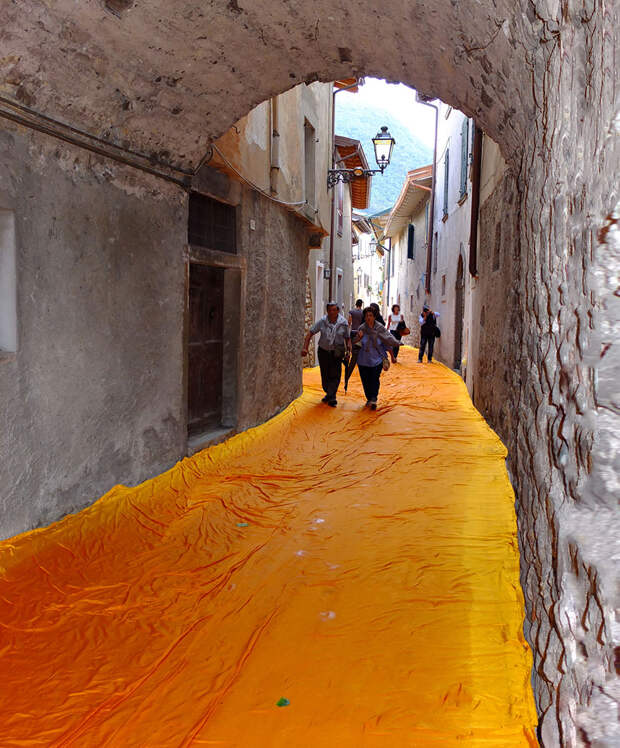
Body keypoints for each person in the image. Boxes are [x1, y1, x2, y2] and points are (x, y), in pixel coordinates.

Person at [302, 301, 351, 407]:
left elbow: (347, 338)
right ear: (327, 311)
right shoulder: (323, 321)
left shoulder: (343, 323)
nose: (332, 312)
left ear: (338, 310)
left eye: (334, 310)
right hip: (323, 351)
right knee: (325, 375)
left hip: (336, 352)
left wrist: (348, 351)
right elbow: (310, 333)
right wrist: (305, 347)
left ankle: (332, 397)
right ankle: (329, 393)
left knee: (335, 374)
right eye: (329, 310)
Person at [355, 306, 400, 409]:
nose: (368, 318)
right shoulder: (361, 328)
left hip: (377, 359)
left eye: (370, 315)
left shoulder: (380, 328)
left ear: (374, 317)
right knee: (365, 381)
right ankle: (369, 398)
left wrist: (392, 356)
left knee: (375, 379)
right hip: (363, 360)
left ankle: (374, 398)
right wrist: (359, 337)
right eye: (366, 316)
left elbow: (387, 342)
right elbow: (355, 343)